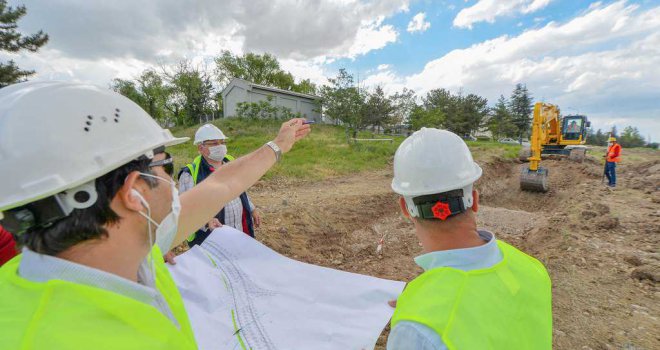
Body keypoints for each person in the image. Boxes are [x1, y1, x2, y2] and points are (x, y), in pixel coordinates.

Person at [0, 81, 310, 349]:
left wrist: (279, 144)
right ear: (135, 192)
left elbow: (222, 182)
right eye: (166, 164)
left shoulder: (132, 247)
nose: (171, 180)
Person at [387, 128, 552, 350]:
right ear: (474, 200)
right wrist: (423, 302)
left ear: (406, 209)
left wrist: (418, 317)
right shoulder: (532, 269)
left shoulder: (418, 330)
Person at [178, 124, 260, 247]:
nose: (220, 146)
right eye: (214, 143)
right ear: (201, 148)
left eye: (222, 142)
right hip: (211, 237)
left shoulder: (230, 163)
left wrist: (252, 209)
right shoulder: (190, 173)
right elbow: (186, 209)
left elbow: (241, 190)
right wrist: (206, 221)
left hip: (238, 229)